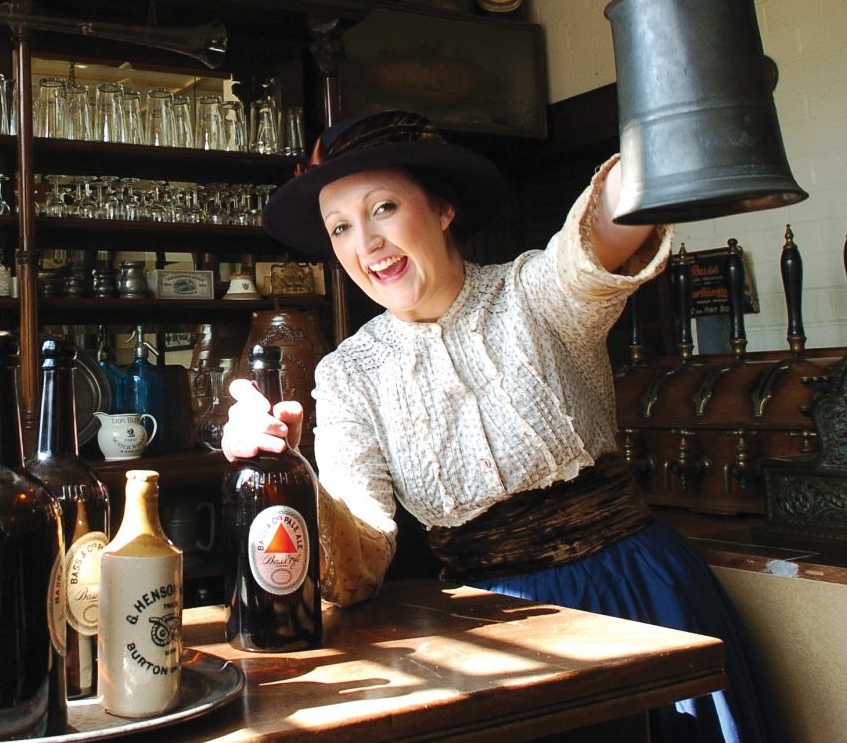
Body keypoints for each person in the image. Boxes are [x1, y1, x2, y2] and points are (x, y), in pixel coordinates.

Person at [222, 110, 784, 743]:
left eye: (382, 207)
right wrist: (287, 473)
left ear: (442, 209)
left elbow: (597, 237)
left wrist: (671, 116)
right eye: (341, 227)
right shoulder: (348, 375)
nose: (365, 243)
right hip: (488, 638)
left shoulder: (534, 295)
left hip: (638, 597)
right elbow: (360, 568)